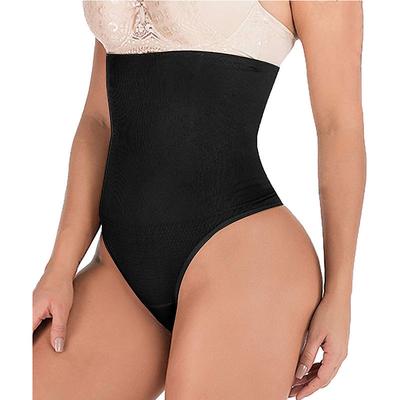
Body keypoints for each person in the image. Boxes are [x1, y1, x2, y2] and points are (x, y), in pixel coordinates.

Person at [33, 1, 365, 399]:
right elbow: (99, 121)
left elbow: (339, 128)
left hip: (244, 259)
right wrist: (60, 266)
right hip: (121, 266)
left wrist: (340, 294)